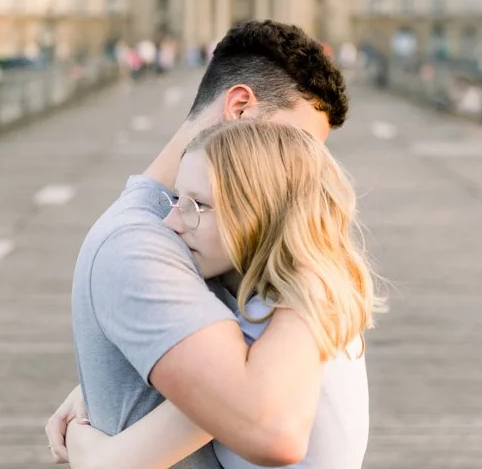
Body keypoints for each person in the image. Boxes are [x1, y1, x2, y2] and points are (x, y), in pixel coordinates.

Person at [46, 20, 351, 468]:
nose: (303, 169)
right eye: (292, 141)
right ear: (241, 108)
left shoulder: (231, 243)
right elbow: (269, 426)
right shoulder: (141, 242)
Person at [61, 119, 380, 468]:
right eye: (175, 200)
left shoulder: (268, 333)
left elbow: (109, 465)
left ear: (260, 210)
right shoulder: (303, 303)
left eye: (196, 206)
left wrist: (76, 435)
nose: (170, 223)